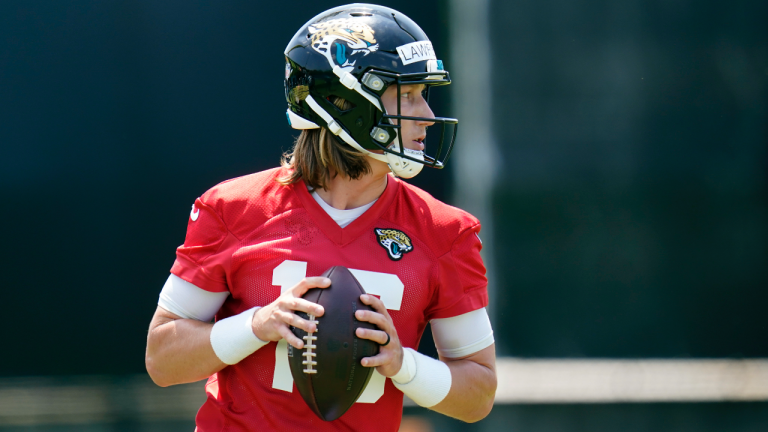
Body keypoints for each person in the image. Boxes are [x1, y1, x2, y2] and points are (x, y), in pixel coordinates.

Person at [145, 4, 496, 431]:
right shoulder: (235, 208)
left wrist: (403, 365)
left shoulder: (446, 233)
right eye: (407, 94)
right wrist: (257, 325)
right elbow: (162, 359)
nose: (424, 113)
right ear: (343, 102)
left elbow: (478, 393)